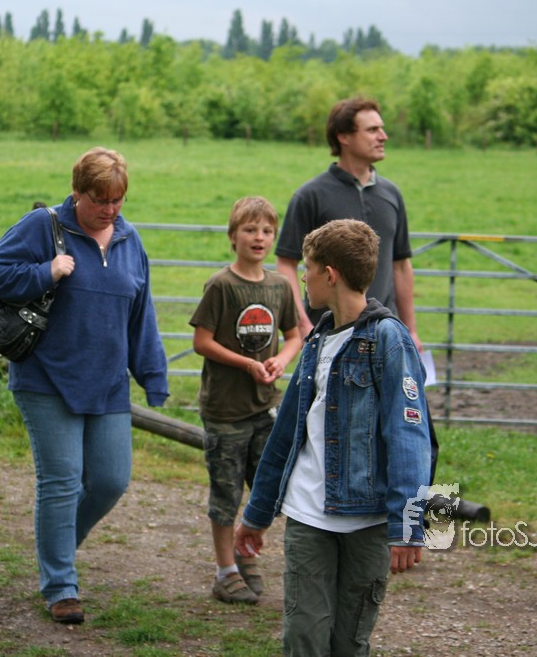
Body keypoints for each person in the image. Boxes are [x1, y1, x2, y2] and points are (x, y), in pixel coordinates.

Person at [0, 147, 169, 625]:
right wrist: (46, 271)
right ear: (77, 192)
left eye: (117, 200)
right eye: (100, 199)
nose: (109, 209)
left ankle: (56, 547)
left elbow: (140, 313)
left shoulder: (129, 240)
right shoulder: (43, 227)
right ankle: (61, 585)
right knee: (61, 481)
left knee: (110, 481)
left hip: (107, 383)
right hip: (46, 378)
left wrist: (153, 375)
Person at [234, 219, 432, 656]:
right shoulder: (317, 340)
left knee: (349, 642)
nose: (302, 277)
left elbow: (409, 436)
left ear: (330, 274)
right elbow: (286, 434)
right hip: (308, 517)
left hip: (368, 522)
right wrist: (257, 512)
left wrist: (408, 525)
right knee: (303, 636)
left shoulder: (388, 340)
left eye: (307, 268)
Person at [188, 196, 302, 605]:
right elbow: (202, 341)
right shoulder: (221, 285)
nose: (259, 237)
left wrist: (280, 360)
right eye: (250, 230)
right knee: (226, 493)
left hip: (265, 407)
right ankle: (225, 572)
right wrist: (246, 363)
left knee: (267, 489)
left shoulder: (280, 285)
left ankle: (246, 552)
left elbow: (294, 335)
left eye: (267, 231)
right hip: (225, 411)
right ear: (233, 236)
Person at [275, 96, 423, 354]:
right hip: (327, 336)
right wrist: (302, 323)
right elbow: (286, 264)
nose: (383, 136)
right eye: (372, 130)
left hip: (383, 334)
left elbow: (401, 266)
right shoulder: (310, 196)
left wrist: (410, 331)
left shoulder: (392, 194)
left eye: (381, 128)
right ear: (343, 136)